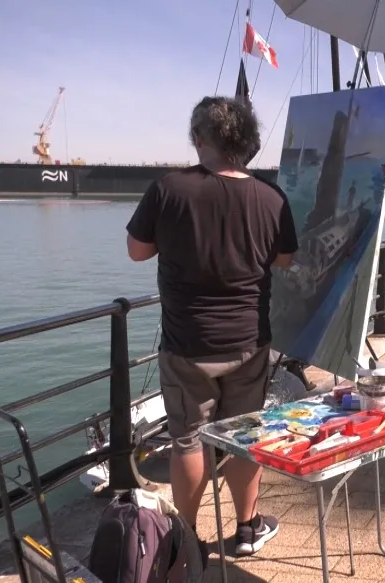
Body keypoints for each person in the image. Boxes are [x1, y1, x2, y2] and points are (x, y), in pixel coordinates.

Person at [126, 96, 298, 557]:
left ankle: (186, 542)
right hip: (248, 341)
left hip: (187, 344)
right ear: (245, 140)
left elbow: (137, 251)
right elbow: (284, 259)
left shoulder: (169, 189)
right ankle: (248, 529)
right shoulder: (271, 197)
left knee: (187, 440)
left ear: (199, 138)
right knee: (244, 435)